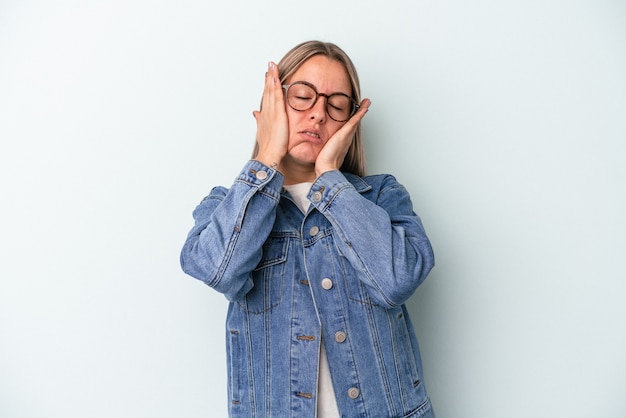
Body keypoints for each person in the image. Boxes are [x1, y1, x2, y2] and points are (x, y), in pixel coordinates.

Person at [180, 40, 436, 418]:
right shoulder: (225, 207)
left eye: (335, 105)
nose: (317, 114)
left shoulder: (380, 197)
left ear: (351, 121)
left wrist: (330, 177)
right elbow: (219, 270)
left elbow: (396, 280)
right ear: (272, 105)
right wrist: (267, 156)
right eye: (302, 96)